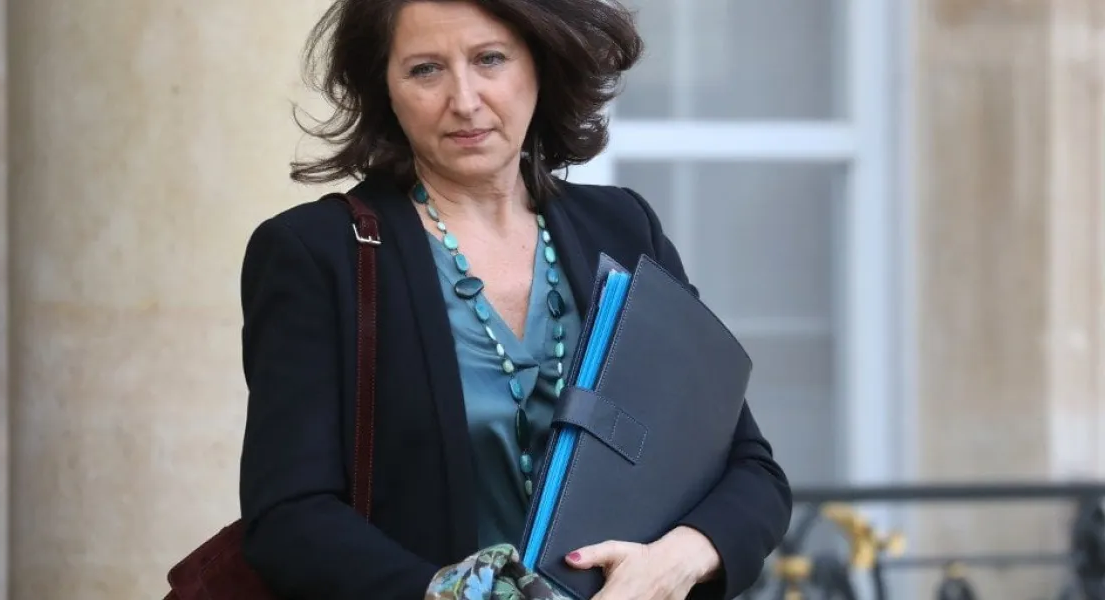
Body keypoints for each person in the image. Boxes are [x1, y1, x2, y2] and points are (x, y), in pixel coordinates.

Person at [236, 0, 792, 598]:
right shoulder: (316, 254)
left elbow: (750, 471)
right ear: (385, 89)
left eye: (490, 59)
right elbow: (287, 517)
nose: (465, 100)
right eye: (426, 69)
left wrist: (674, 562)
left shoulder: (625, 229)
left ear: (541, 65)